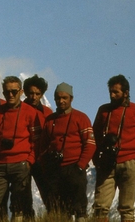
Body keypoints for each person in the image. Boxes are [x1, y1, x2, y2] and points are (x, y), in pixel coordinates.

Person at [92, 75, 135, 222]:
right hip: (106, 163)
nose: (112, 95)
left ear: (126, 93)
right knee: (100, 207)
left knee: (126, 208)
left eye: (116, 92)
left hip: (129, 163)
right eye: (111, 92)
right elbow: (94, 137)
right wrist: (96, 159)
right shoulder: (103, 110)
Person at [0, 76, 37, 221]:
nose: (10, 95)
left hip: (21, 164)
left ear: (21, 92)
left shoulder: (30, 112)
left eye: (14, 91)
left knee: (19, 205)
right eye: (7, 92)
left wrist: (29, 160)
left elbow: (36, 140)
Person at [39, 82, 96, 222]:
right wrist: (46, 165)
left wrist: (80, 165)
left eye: (64, 98)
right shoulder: (50, 120)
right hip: (55, 170)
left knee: (79, 209)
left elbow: (90, 144)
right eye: (58, 98)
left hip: (75, 168)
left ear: (71, 98)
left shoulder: (81, 118)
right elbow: (42, 145)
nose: (61, 101)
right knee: (58, 209)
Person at [22, 74, 53, 206]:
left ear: (42, 94)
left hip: (42, 160)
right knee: (23, 196)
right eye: (31, 93)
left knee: (48, 194)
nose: (33, 97)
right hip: (24, 158)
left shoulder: (47, 113)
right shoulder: (19, 110)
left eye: (37, 94)